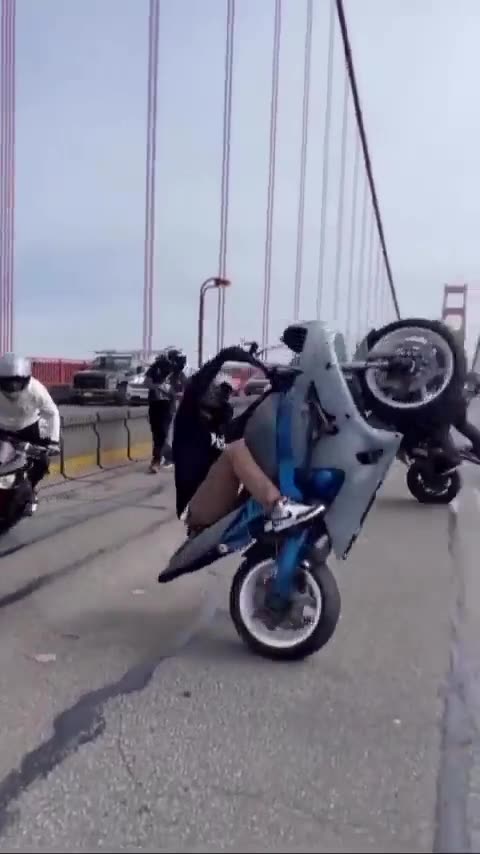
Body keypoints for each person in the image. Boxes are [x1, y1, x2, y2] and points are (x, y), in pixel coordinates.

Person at [172, 345, 321, 532]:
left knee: (255, 452)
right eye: (216, 387)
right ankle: (279, 507)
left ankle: (294, 505)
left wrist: (275, 388)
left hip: (218, 498)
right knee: (235, 451)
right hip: (194, 508)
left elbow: (252, 417)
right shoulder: (188, 417)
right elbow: (226, 355)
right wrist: (263, 368)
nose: (220, 393)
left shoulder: (221, 428)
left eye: (226, 391)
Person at [0, 353, 61, 514]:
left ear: (26, 379)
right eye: (7, 383)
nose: (12, 387)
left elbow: (51, 412)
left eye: (17, 382)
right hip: (2, 428)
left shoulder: (36, 389)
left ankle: (32, 489)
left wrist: (53, 441)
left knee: (42, 461)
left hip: (28, 428)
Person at [145, 348, 186, 473]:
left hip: (168, 406)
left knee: (163, 432)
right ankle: (167, 457)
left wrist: (175, 393)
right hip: (154, 403)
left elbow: (183, 389)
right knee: (156, 432)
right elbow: (147, 382)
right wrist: (159, 387)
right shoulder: (156, 367)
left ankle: (157, 460)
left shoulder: (178, 373)